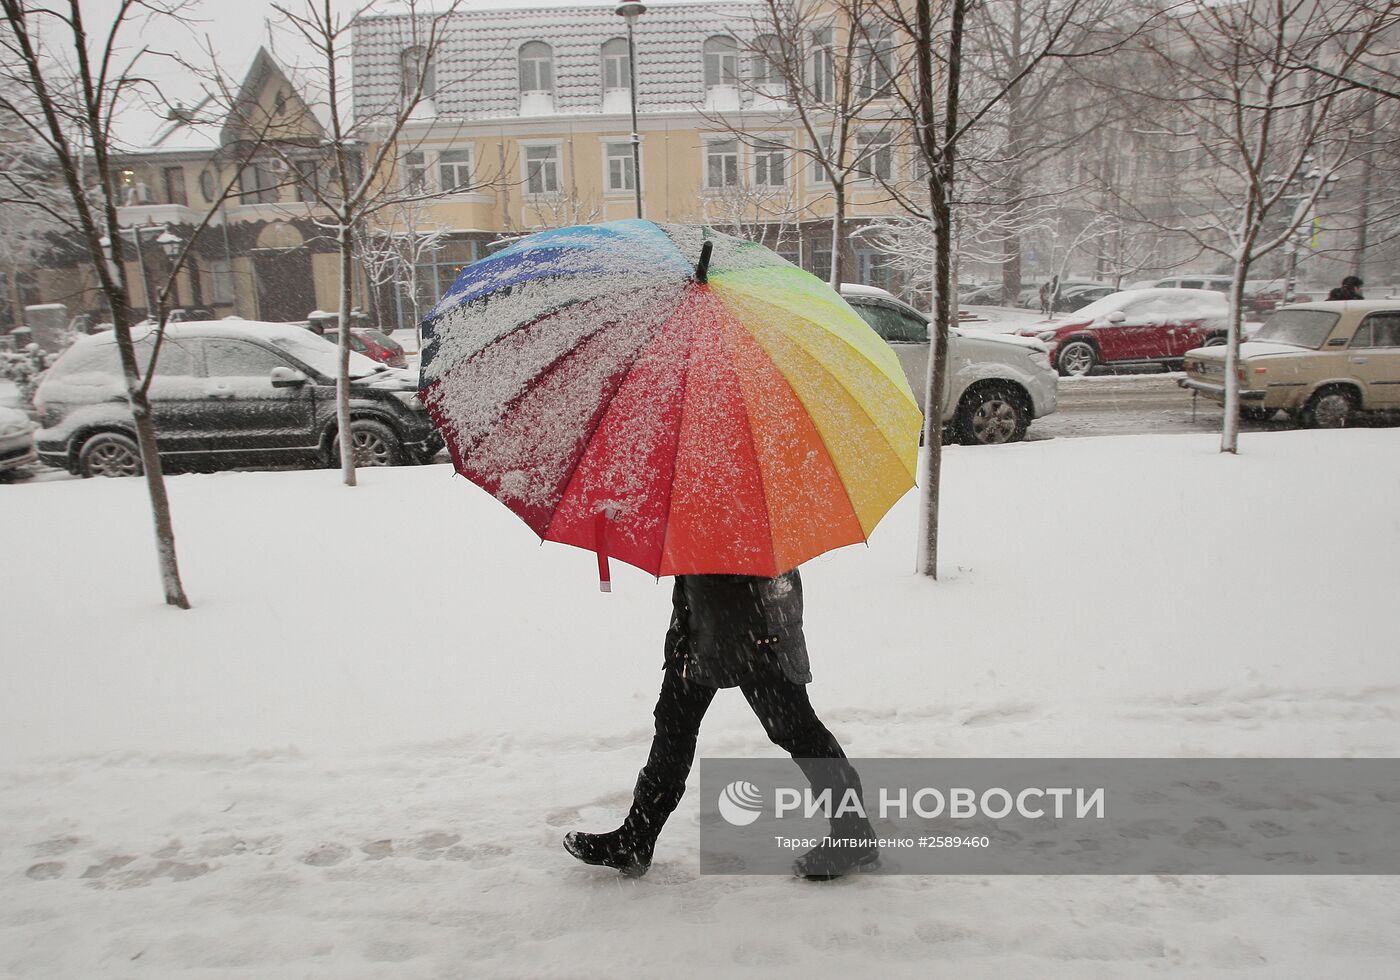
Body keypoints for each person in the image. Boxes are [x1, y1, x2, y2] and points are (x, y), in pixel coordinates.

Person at [563, 570, 877, 880]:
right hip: (700, 628)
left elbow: (757, 561)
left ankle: (853, 835)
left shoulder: (754, 523)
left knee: (797, 731)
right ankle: (635, 839)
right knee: (674, 725)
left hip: (761, 635)